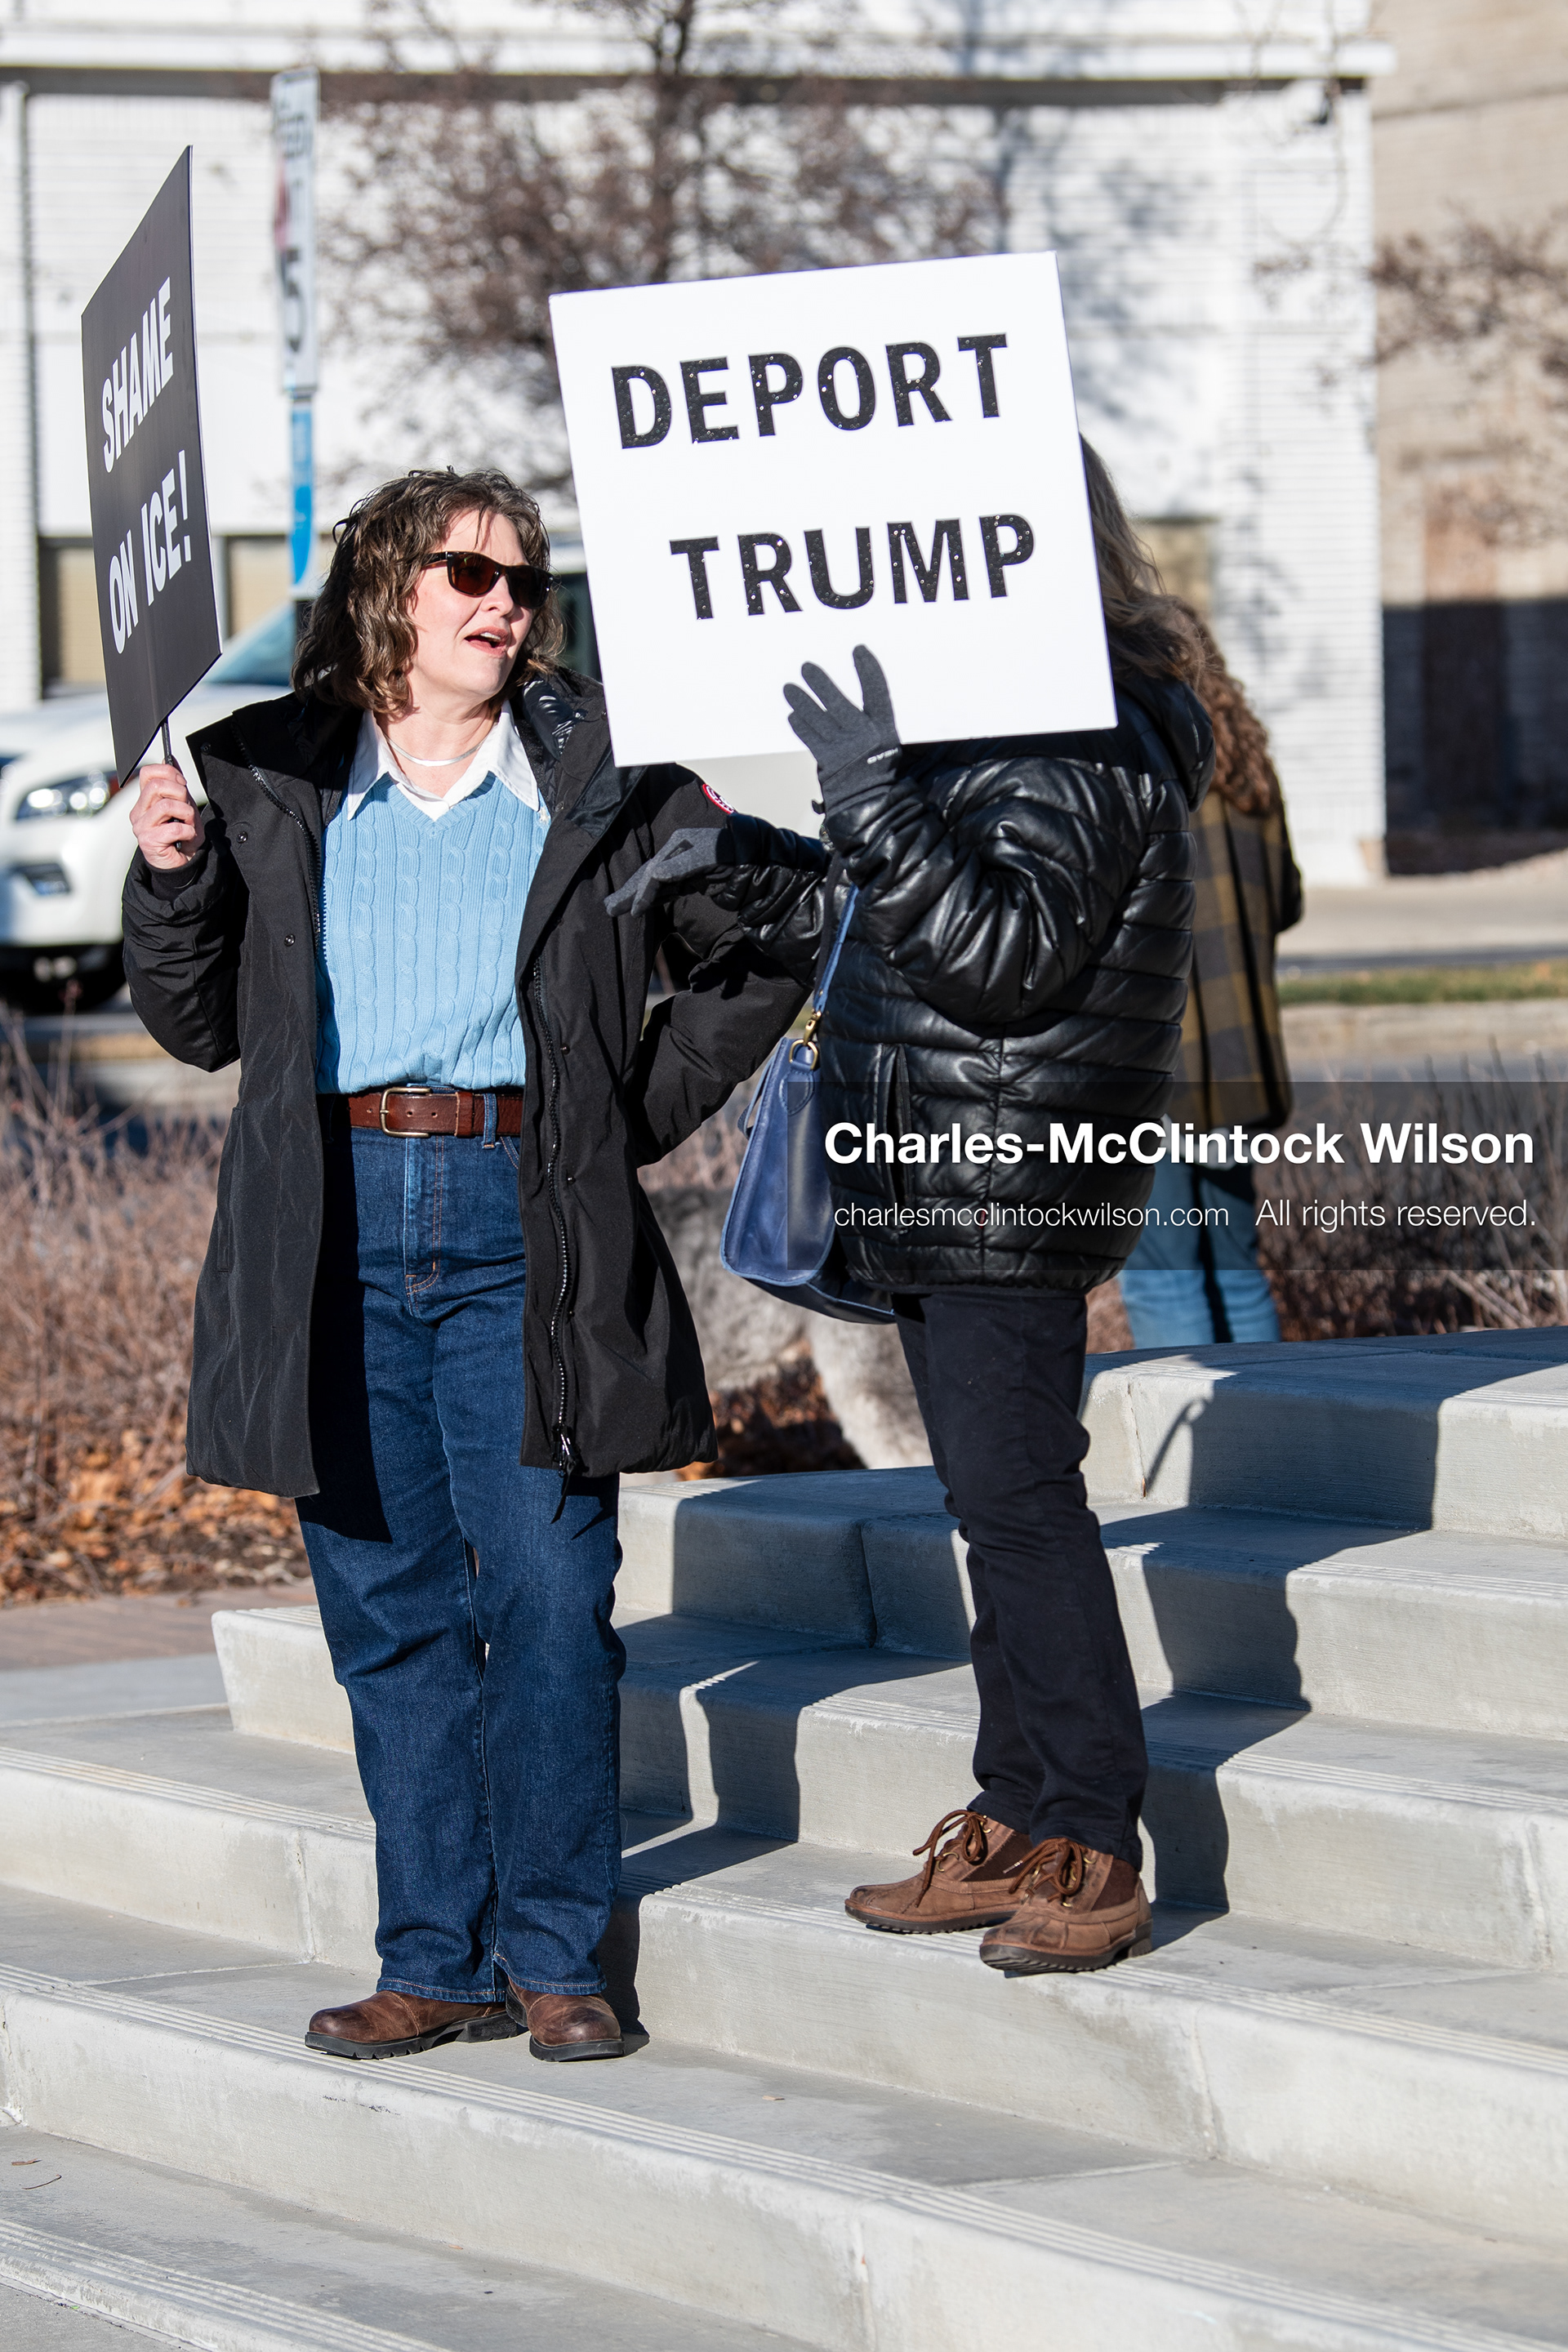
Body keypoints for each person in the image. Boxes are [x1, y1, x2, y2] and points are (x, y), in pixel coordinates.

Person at [122, 468, 804, 2063]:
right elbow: (199, 1021)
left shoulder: (607, 779)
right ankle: (434, 1958)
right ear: (386, 591)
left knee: (555, 1599)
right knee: (391, 1613)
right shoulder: (262, 773)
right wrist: (170, 883)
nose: (504, 600)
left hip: (526, 1226)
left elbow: (769, 943)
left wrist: (629, 1103)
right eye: (467, 573)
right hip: (333, 1223)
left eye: (521, 576)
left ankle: (557, 1955)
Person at [610, 441, 1214, 1973]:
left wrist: (876, 791)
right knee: (987, 1506)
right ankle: (1015, 1812)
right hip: (940, 1165)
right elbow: (908, 923)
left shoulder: (1089, 728)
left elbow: (1001, 957)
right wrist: (756, 860)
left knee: (1020, 1503)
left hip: (1009, 1174)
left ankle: (1092, 1835)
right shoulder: (989, 721)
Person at [1116, 613, 1303, 1346]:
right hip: (1241, 1061)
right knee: (1234, 1262)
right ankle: (1265, 1431)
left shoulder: (1141, 761)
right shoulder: (1250, 766)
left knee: (1164, 1270)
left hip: (1156, 1057)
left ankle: (1212, 1451)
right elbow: (1285, 899)